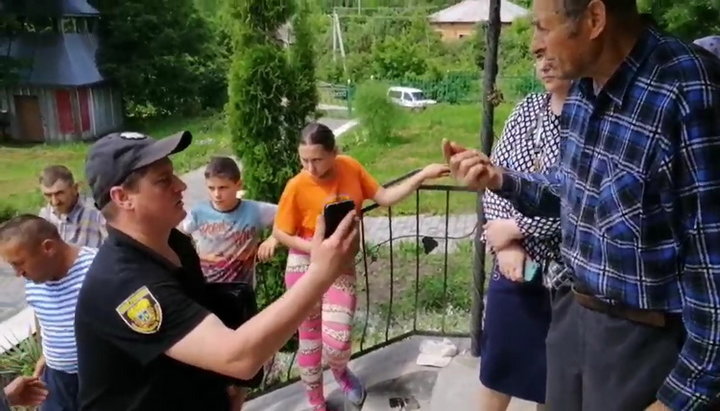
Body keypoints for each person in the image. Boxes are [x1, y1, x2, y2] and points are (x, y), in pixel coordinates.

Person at [443, 1, 720, 410]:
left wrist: (682, 395)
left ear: (594, 19)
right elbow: (572, 192)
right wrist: (501, 180)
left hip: (643, 341)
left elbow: (713, 265)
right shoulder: (584, 91)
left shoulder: (688, 89)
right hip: (571, 317)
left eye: (542, 28)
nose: (536, 45)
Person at [75, 130, 361, 411]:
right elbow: (238, 357)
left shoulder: (176, 244)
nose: (181, 185)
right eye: (163, 181)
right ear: (123, 197)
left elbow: (199, 326)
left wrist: (226, 386)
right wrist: (322, 273)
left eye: (173, 174)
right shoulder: (126, 285)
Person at [273, 122, 450, 410]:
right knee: (309, 341)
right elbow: (281, 233)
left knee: (338, 340)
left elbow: (383, 197)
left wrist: (421, 176)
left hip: (340, 263)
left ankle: (341, 372)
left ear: (335, 152)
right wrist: (315, 250)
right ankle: (316, 401)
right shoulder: (296, 185)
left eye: (317, 159)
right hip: (303, 264)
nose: (310, 167)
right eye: (303, 159)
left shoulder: (350, 167)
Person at [478, 54, 571, 411]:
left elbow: (577, 205)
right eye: (538, 57)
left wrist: (515, 227)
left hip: (567, 281)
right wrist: (506, 247)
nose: (546, 64)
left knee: (553, 382)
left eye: (553, 54)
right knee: (497, 368)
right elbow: (494, 180)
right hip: (516, 270)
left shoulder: (591, 118)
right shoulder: (529, 108)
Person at [180, 155, 279, 409]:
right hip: (209, 296)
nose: (217, 194)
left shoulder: (254, 210)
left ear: (237, 184)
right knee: (216, 366)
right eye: (212, 188)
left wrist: (273, 240)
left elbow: (285, 215)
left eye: (223, 188)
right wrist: (197, 256)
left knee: (243, 368)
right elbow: (180, 236)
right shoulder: (199, 213)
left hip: (241, 296)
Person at [0, 215, 96, 411]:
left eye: (19, 263)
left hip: (97, 378)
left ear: (48, 248)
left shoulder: (97, 271)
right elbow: (44, 317)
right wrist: (48, 354)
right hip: (57, 380)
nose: (18, 273)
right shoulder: (35, 279)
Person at [38, 165, 106, 247]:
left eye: (59, 193)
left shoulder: (98, 213)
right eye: (48, 195)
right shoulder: (45, 216)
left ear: (75, 188)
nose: (55, 202)